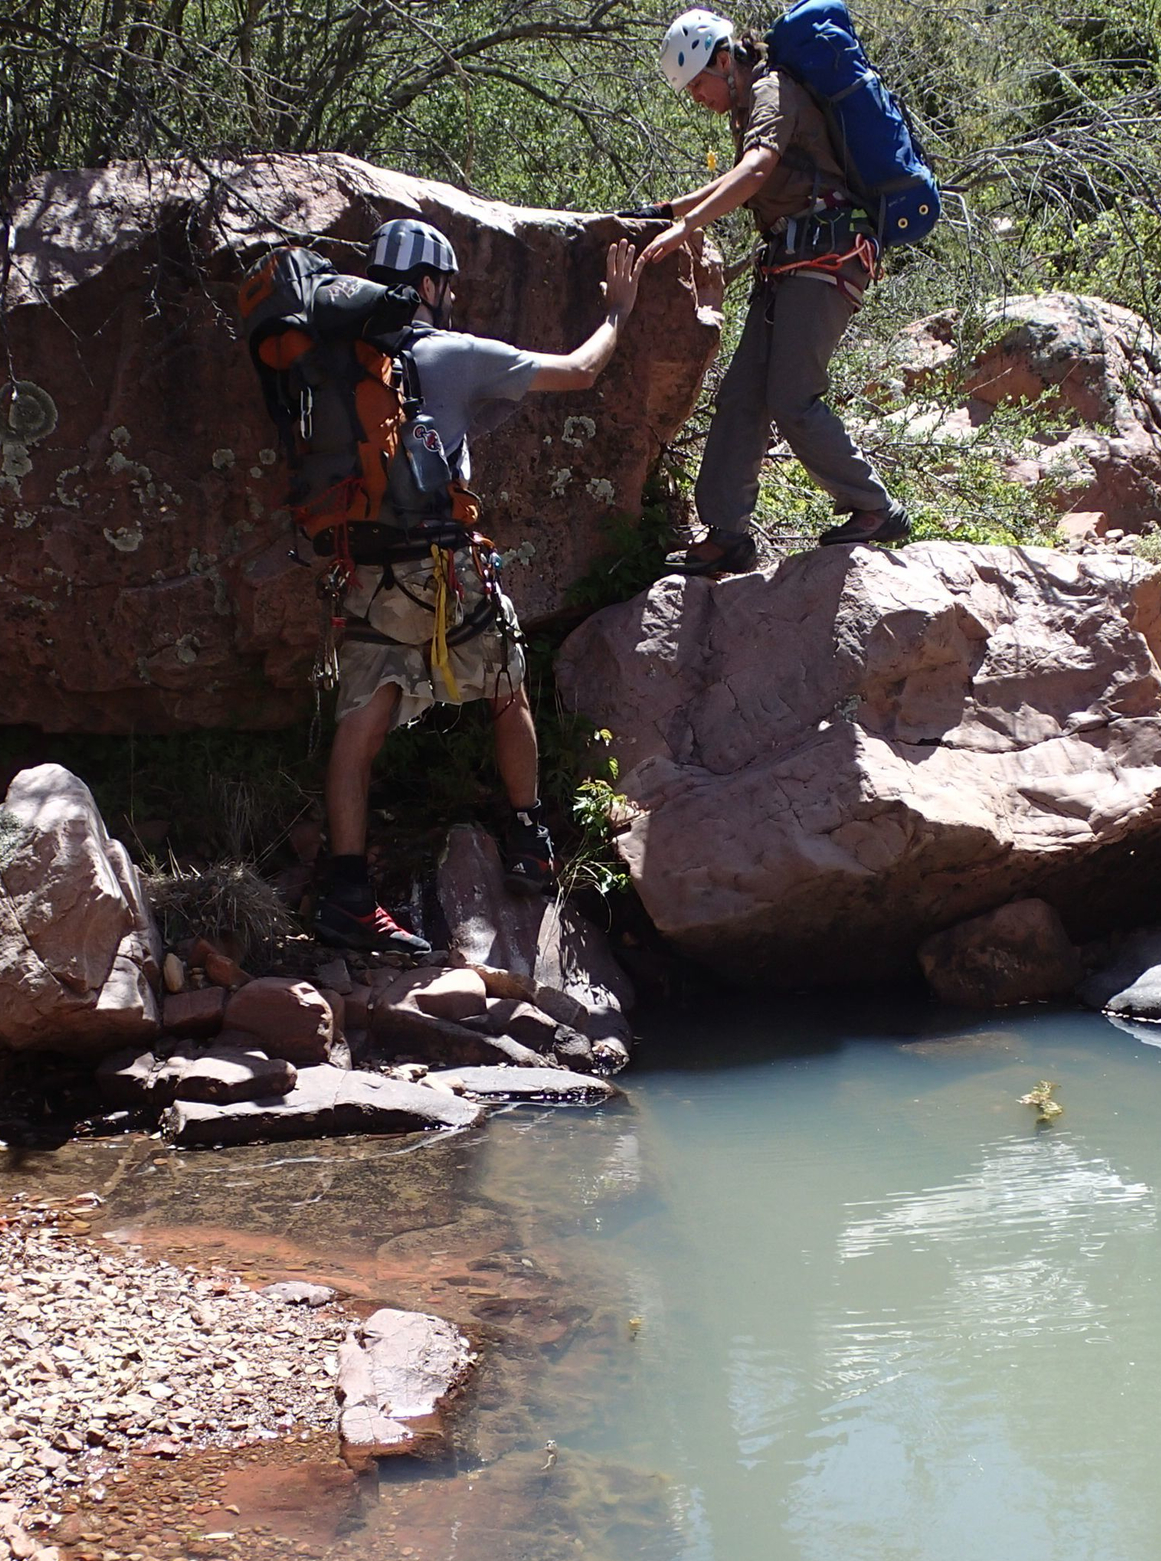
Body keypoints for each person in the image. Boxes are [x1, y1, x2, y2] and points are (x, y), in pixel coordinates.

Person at [309, 219, 643, 957]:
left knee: (360, 723)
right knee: (506, 689)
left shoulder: (338, 360)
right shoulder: (449, 353)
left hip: (364, 564)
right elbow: (581, 370)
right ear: (428, 285)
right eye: (447, 285)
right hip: (444, 566)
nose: (451, 297)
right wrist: (618, 309)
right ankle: (528, 841)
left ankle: (346, 894)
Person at [634, 7, 909, 578]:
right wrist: (669, 211)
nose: (698, 99)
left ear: (724, 59)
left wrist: (689, 225)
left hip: (827, 254)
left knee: (792, 396)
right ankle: (727, 535)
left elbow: (757, 172)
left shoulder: (772, 91)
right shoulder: (747, 106)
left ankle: (873, 507)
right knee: (740, 397)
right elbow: (740, 179)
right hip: (789, 260)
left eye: (699, 85)